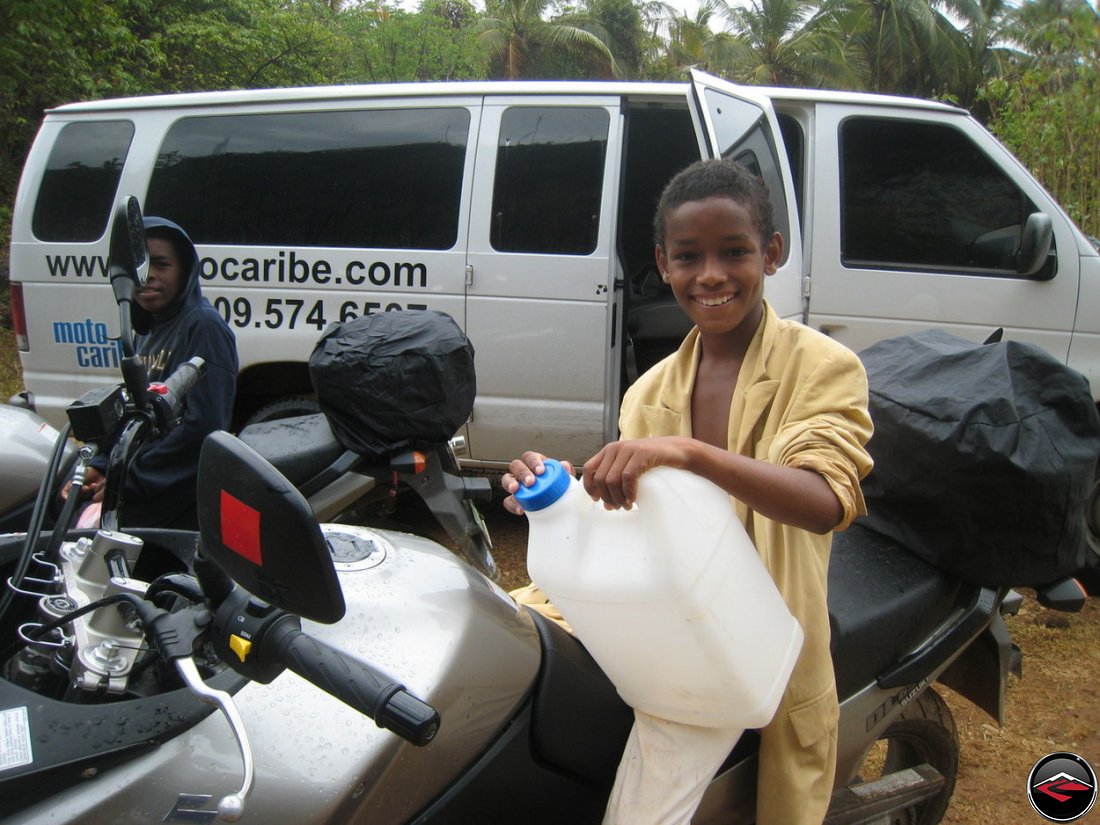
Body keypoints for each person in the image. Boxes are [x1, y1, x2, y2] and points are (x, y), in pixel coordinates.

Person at [503, 159, 874, 825]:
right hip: (681, 641)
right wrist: (556, 495)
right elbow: (633, 520)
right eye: (688, 256)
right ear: (662, 263)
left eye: (734, 252)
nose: (711, 274)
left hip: (774, 639)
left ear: (772, 252)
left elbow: (823, 499)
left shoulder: (821, 366)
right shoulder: (650, 393)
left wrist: (692, 454)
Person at [65, 217, 238, 529]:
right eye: (140, 268)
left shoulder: (202, 326)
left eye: (161, 264)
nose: (148, 277)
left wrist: (126, 480)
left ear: (185, 270)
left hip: (178, 494)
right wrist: (101, 464)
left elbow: (202, 429)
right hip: (143, 479)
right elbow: (136, 416)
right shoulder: (146, 328)